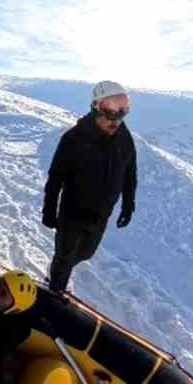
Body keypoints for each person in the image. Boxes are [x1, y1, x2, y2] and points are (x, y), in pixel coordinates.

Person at [41, 80, 137, 292]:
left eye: (123, 108)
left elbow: (130, 173)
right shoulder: (73, 139)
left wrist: (128, 205)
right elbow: (56, 177)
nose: (117, 119)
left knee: (86, 253)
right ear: (96, 107)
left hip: (101, 213)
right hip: (73, 211)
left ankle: (58, 267)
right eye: (112, 108)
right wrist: (49, 210)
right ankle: (55, 290)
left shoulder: (124, 137)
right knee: (65, 257)